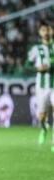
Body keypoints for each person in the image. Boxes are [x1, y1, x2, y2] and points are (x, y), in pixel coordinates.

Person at [26, 21, 53, 149]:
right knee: (42, 115)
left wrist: (50, 67)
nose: (46, 33)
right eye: (43, 30)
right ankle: (43, 128)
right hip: (42, 87)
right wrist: (38, 69)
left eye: (48, 30)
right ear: (39, 33)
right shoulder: (36, 49)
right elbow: (27, 65)